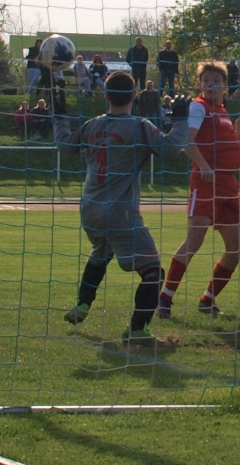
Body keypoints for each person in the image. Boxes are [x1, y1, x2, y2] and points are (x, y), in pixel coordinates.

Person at [63, 70, 192, 344]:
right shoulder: (139, 126)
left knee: (101, 252)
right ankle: (137, 330)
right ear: (134, 95)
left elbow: (66, 145)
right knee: (153, 271)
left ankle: (82, 304)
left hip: (90, 209)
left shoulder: (92, 125)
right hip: (119, 212)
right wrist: (181, 120)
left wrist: (59, 118)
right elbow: (170, 150)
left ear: (106, 95)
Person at [158, 61, 240, 318]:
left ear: (225, 85)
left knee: (237, 247)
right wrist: (203, 166)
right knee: (194, 240)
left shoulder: (222, 111)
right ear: (200, 85)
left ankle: (207, 300)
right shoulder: (199, 107)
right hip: (207, 182)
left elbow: (219, 146)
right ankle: (164, 299)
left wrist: (237, 135)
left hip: (228, 185)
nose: (210, 84)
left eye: (216, 80)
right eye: (206, 80)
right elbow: (187, 140)